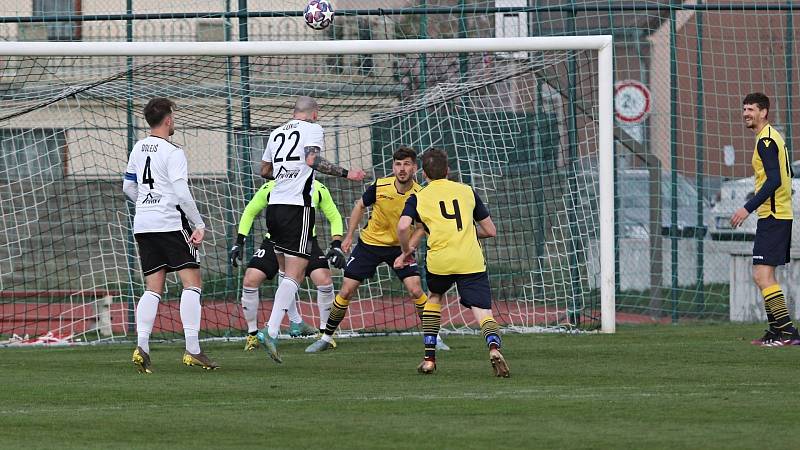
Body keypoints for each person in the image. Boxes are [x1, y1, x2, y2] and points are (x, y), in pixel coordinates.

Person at [305, 147, 450, 353]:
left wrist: (408, 249)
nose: (402, 169)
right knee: (346, 290)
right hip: (369, 245)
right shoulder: (380, 185)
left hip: (400, 249)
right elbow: (359, 206)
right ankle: (326, 338)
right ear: (393, 166)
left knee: (416, 289)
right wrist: (348, 236)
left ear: (415, 168)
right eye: (398, 164)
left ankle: (433, 336)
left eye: (407, 164)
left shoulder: (421, 194)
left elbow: (421, 228)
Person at [258, 95, 365, 363]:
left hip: (274, 207)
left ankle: (288, 324)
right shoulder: (313, 129)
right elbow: (312, 160)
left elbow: (264, 170)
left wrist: (285, 174)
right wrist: (346, 173)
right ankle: (271, 330)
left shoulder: (276, 132)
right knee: (296, 271)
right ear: (314, 113)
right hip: (297, 208)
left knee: (286, 270)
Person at [394, 147, 509, 377]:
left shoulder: (418, 196)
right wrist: (466, 234)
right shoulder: (467, 191)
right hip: (470, 260)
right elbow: (491, 230)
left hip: (440, 261)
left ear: (423, 174)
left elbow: (403, 226)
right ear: (448, 170)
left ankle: (429, 359)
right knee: (483, 311)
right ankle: (494, 348)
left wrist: (406, 251)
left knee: (434, 297)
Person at [123, 98, 218, 373]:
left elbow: (128, 187)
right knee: (192, 284)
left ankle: (142, 346)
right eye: (173, 116)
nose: (174, 121)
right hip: (170, 223)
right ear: (167, 119)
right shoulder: (174, 152)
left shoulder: (138, 147)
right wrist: (198, 223)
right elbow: (181, 193)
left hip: (143, 223)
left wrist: (146, 203)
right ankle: (193, 350)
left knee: (153, 288)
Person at [229, 179, 345, 351]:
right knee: (250, 280)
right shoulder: (270, 187)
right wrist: (239, 241)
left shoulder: (318, 188)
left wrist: (336, 244)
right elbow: (250, 211)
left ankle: (324, 334)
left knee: (324, 279)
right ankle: (253, 335)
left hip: (306, 241)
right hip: (273, 242)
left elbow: (334, 216)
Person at [732, 92, 800, 347]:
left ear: (764, 112)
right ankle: (776, 332)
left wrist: (746, 208)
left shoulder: (767, 141)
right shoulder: (771, 137)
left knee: (762, 276)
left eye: (751, 109)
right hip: (776, 215)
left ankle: (787, 333)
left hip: (773, 216)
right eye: (744, 108)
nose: (746, 113)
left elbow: (775, 179)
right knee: (762, 275)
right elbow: (788, 172)